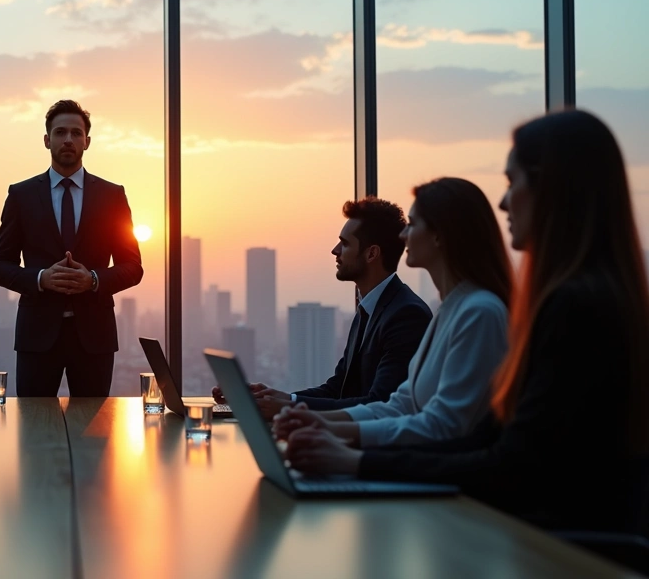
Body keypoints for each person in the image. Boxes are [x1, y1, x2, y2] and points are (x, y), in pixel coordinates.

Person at [286, 110, 649, 533]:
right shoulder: (479, 307)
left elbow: (503, 457)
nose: (503, 201)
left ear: (552, 189)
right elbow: (471, 435)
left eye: (513, 183)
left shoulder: (564, 308)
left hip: (556, 548)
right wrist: (335, 435)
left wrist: (353, 456)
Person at [272, 177, 511, 447]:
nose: (403, 235)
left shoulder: (476, 313)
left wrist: (353, 460)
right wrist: (316, 420)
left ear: (438, 236)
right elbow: (401, 404)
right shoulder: (449, 310)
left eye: (413, 224)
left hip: (447, 483)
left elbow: (443, 425)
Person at [215, 197, 432, 419]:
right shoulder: (369, 309)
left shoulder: (406, 315)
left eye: (345, 243)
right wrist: (277, 398)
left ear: (371, 254)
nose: (334, 250)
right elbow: (338, 389)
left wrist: (288, 409)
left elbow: (381, 404)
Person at [0, 100, 143, 396]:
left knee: (94, 430)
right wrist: (40, 279)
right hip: (37, 335)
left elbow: (132, 266)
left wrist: (94, 280)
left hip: (94, 336)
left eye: (76, 133)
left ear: (87, 141)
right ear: (47, 140)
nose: (68, 140)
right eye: (60, 133)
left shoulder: (112, 196)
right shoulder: (21, 195)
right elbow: (0, 265)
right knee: (33, 427)